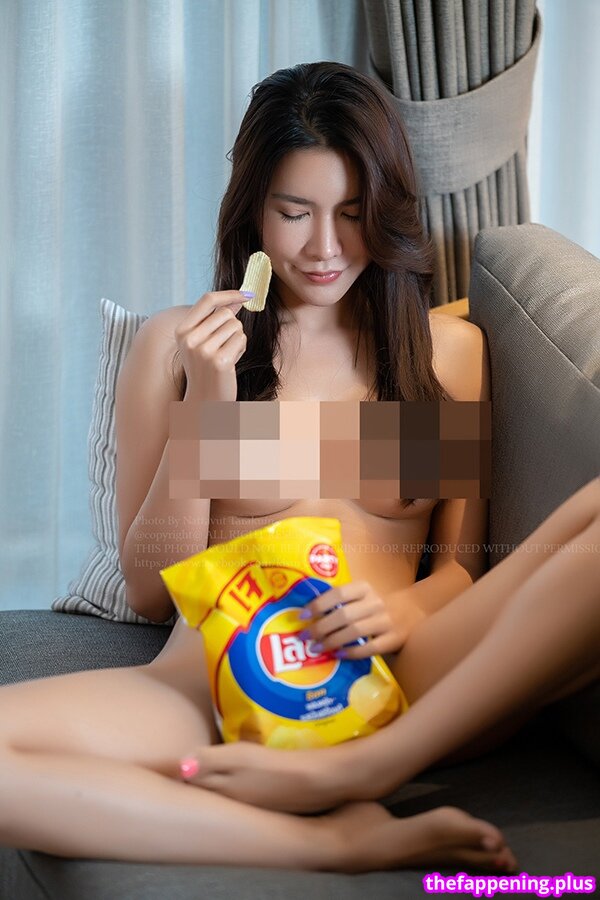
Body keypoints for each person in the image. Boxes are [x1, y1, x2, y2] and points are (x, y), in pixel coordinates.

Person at [0, 61, 598, 875]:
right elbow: (150, 588)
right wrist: (206, 407)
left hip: (401, 672)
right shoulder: (173, 348)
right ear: (253, 209)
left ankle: (365, 767)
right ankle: (328, 840)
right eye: (294, 213)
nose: (325, 248)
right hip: (215, 685)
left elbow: (462, 567)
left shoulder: (446, 354)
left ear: (385, 209)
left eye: (352, 214)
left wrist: (407, 611)